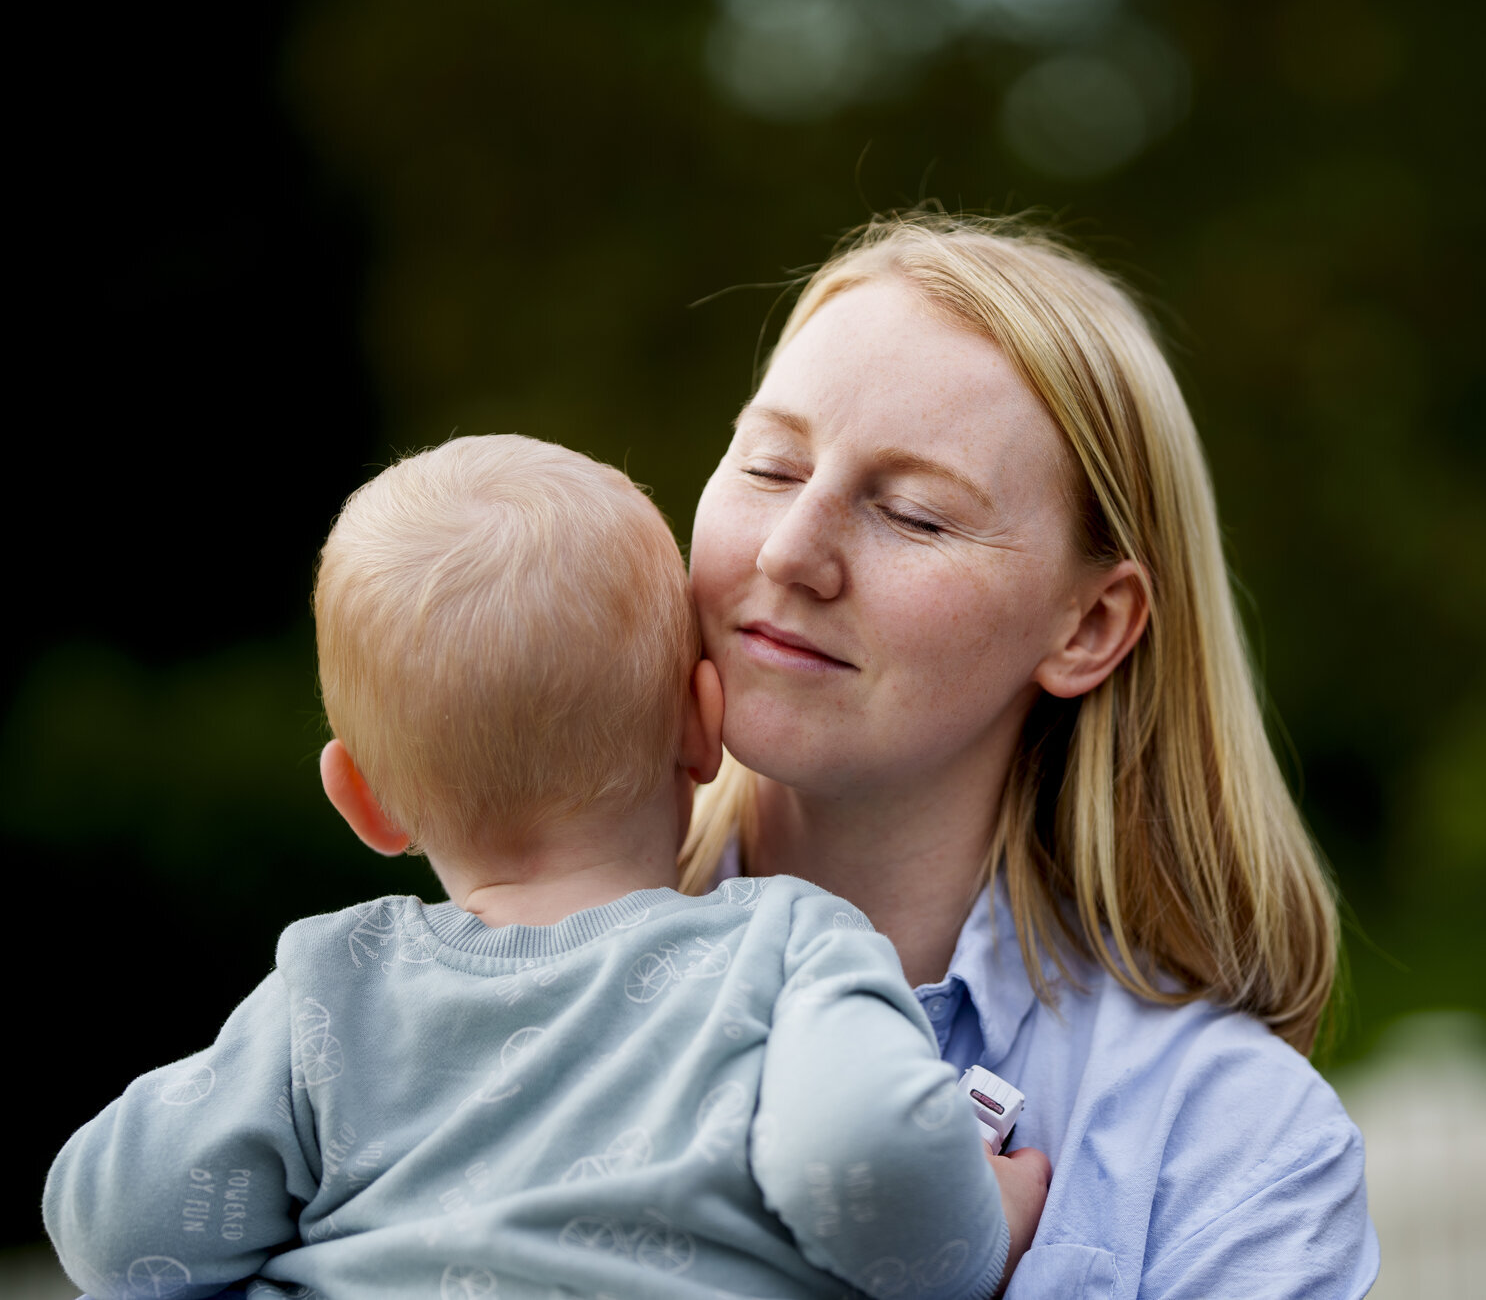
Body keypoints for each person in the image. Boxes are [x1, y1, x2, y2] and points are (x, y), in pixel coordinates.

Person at [43, 434, 1047, 1300]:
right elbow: (864, 1158)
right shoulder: (787, 947)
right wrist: (981, 1225)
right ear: (705, 728)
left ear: (362, 797)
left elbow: (118, 1227)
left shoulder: (330, 994)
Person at [679, 214, 1380, 1297]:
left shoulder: (1230, 1150)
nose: (789, 549)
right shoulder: (484, 979)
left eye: (912, 516)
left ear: (1087, 627)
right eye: (770, 465)